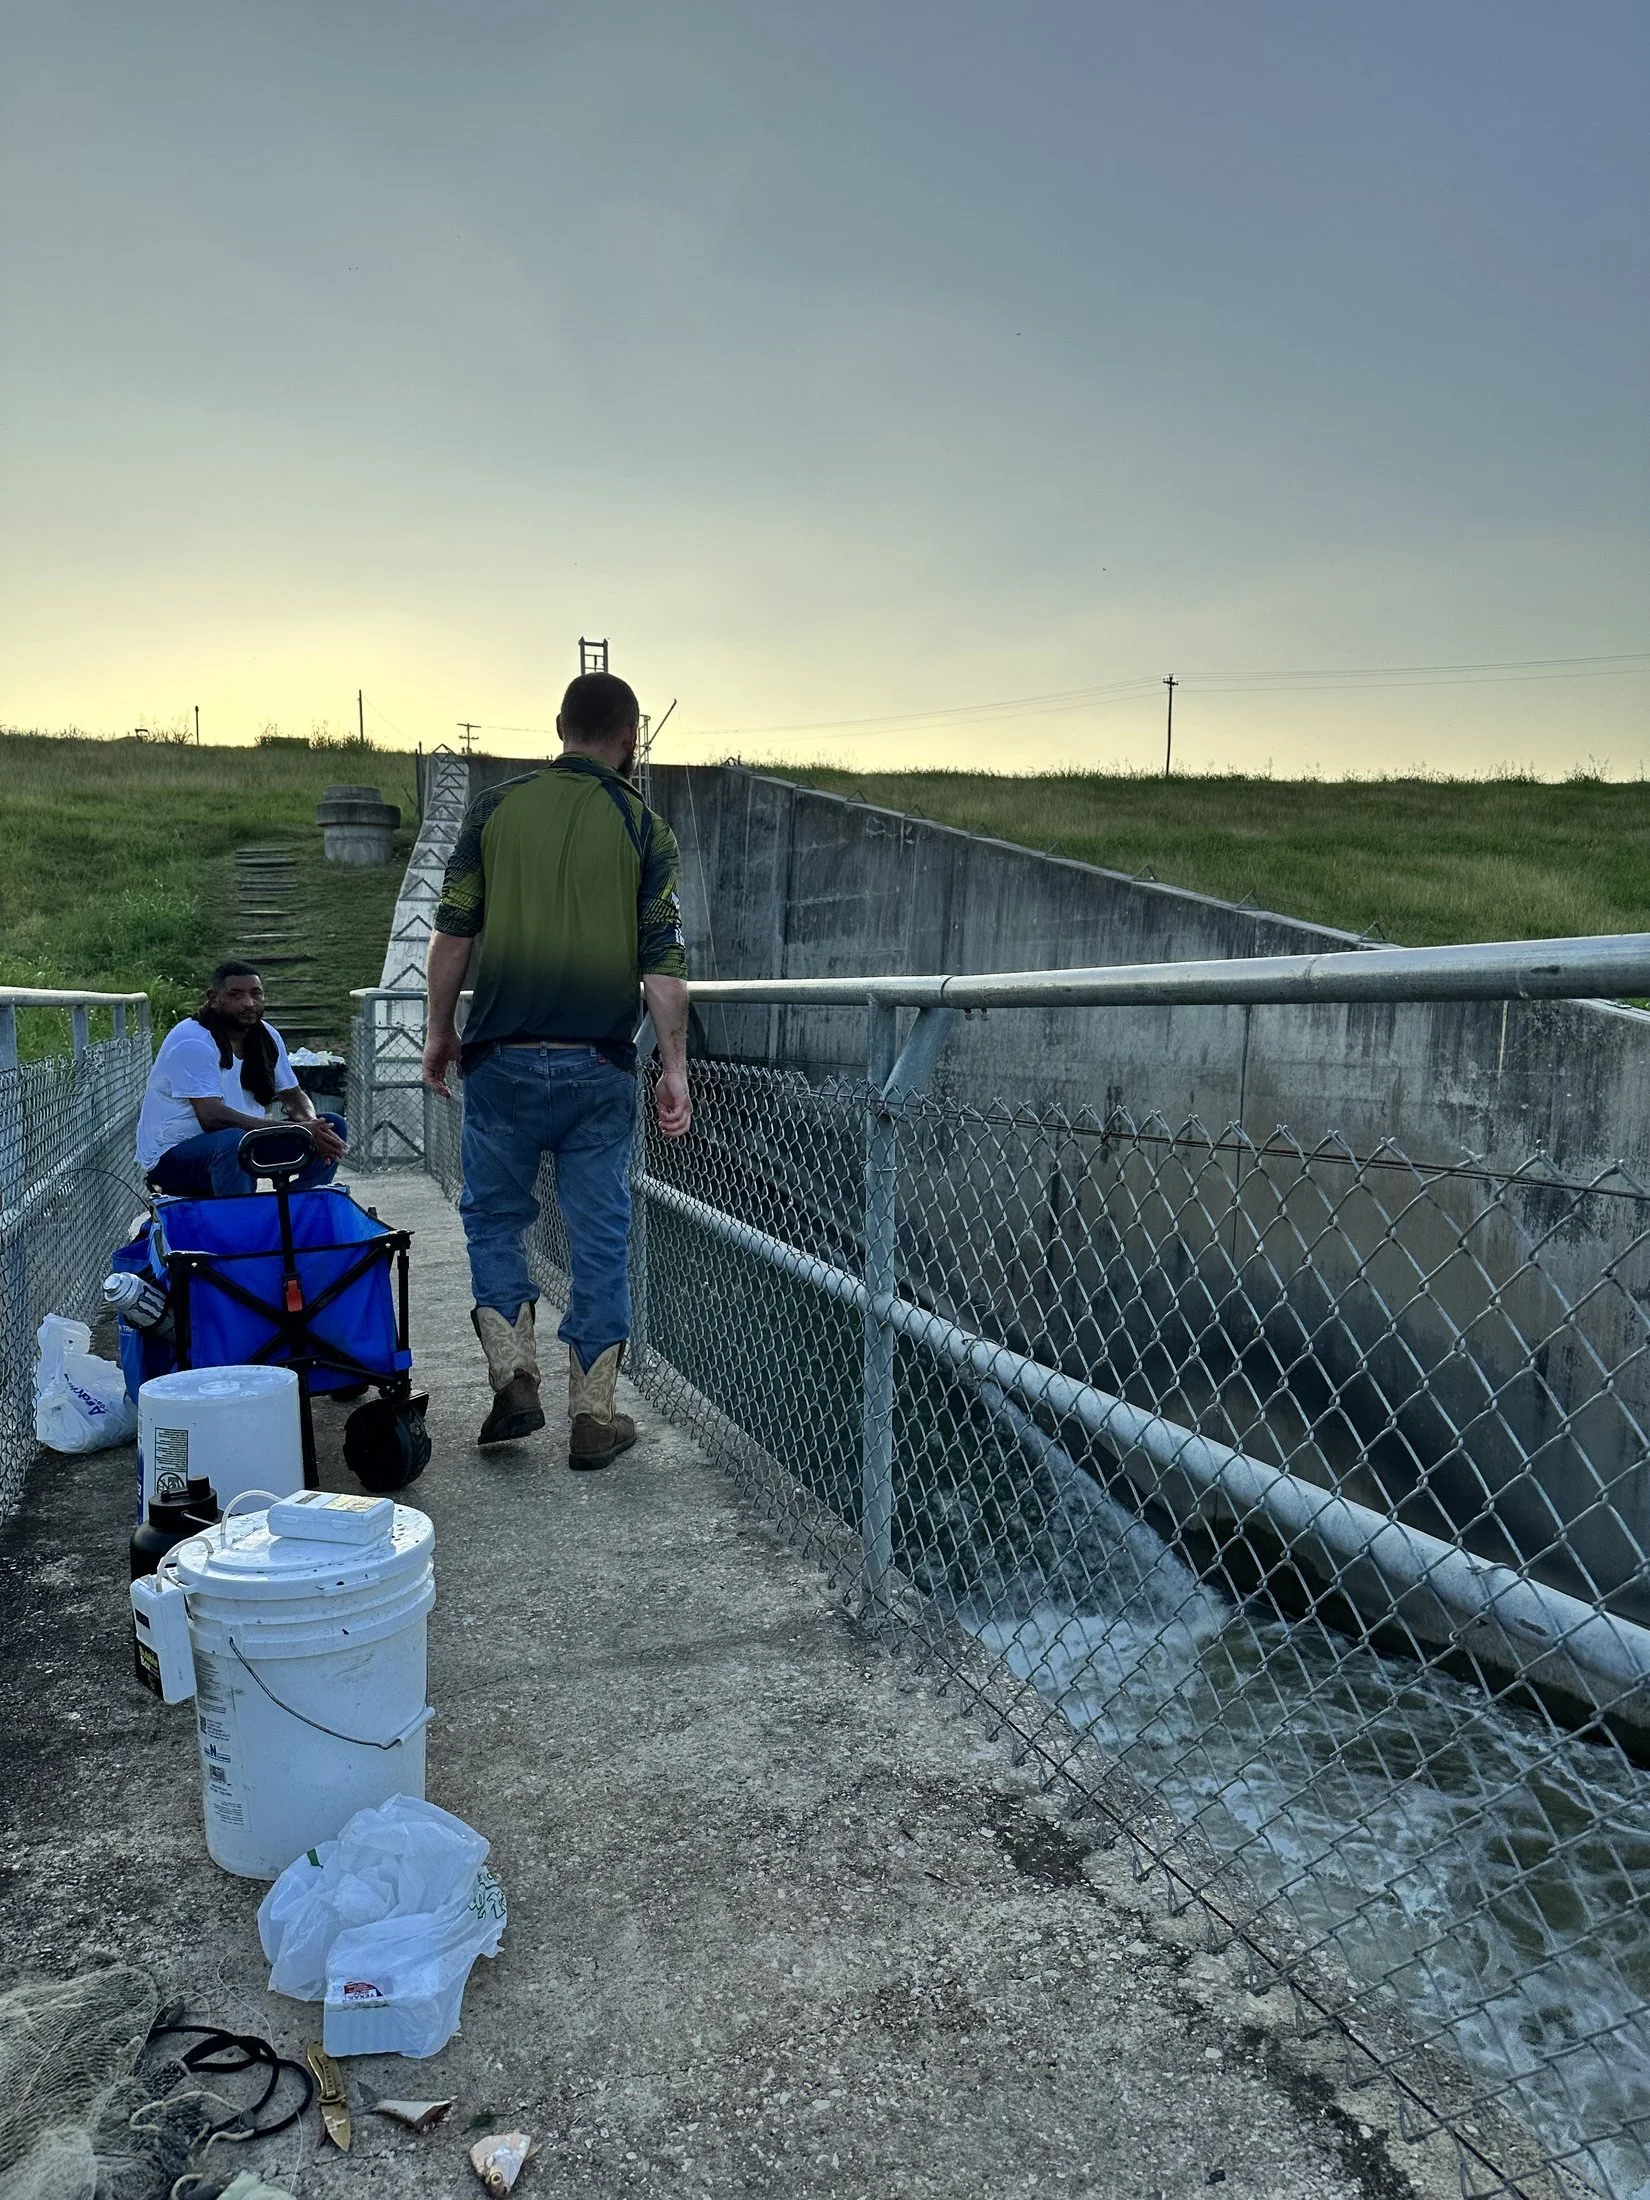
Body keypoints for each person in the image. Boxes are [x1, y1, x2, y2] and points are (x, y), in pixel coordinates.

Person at [422, 670, 691, 1464]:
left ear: (560, 727)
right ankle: (595, 1416)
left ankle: (514, 1376)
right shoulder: (645, 828)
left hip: (500, 1061)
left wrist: (440, 1030)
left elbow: (452, 937)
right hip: (598, 1068)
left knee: (495, 1220)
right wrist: (673, 1066)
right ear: (630, 739)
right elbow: (663, 966)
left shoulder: (495, 809)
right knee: (601, 1236)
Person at [137, 962, 349, 1197]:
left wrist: (312, 1126)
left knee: (333, 1126)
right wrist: (296, 1128)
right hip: (174, 1155)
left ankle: (298, 1209)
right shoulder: (193, 1040)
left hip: (241, 1140)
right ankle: (242, 1221)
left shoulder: (266, 1035)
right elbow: (212, 1118)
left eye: (256, 994)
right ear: (213, 998)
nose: (249, 1003)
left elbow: (293, 1094)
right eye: (236, 995)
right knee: (233, 1142)